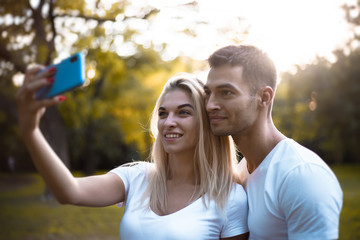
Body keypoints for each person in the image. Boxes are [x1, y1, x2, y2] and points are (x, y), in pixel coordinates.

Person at [16, 67, 249, 240]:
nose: (168, 122)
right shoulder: (137, 178)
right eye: (163, 113)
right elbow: (70, 192)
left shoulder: (230, 199)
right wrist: (30, 130)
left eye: (183, 113)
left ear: (206, 123)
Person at [204, 45, 343, 240]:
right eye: (208, 93)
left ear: (264, 97)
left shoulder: (301, 176)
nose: (210, 105)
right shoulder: (243, 170)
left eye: (226, 92)